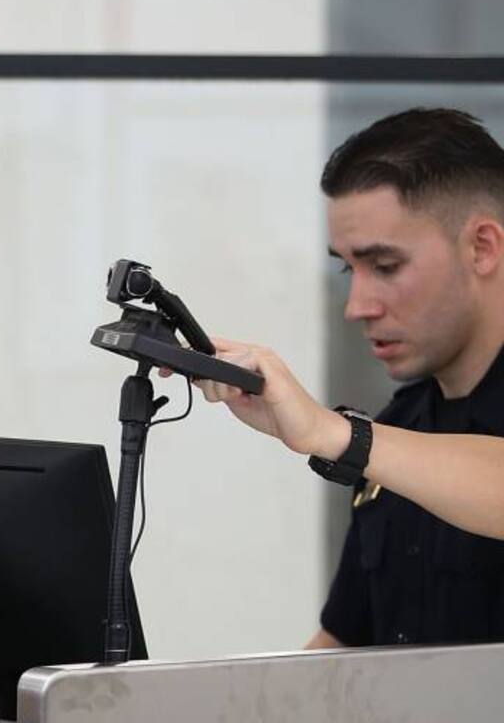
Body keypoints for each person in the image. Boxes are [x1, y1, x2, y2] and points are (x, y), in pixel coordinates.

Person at [193, 107, 504, 650]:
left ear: (482, 247)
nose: (356, 306)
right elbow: (340, 651)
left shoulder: (371, 442)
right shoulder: (400, 426)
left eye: (384, 267)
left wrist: (334, 434)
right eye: (347, 269)